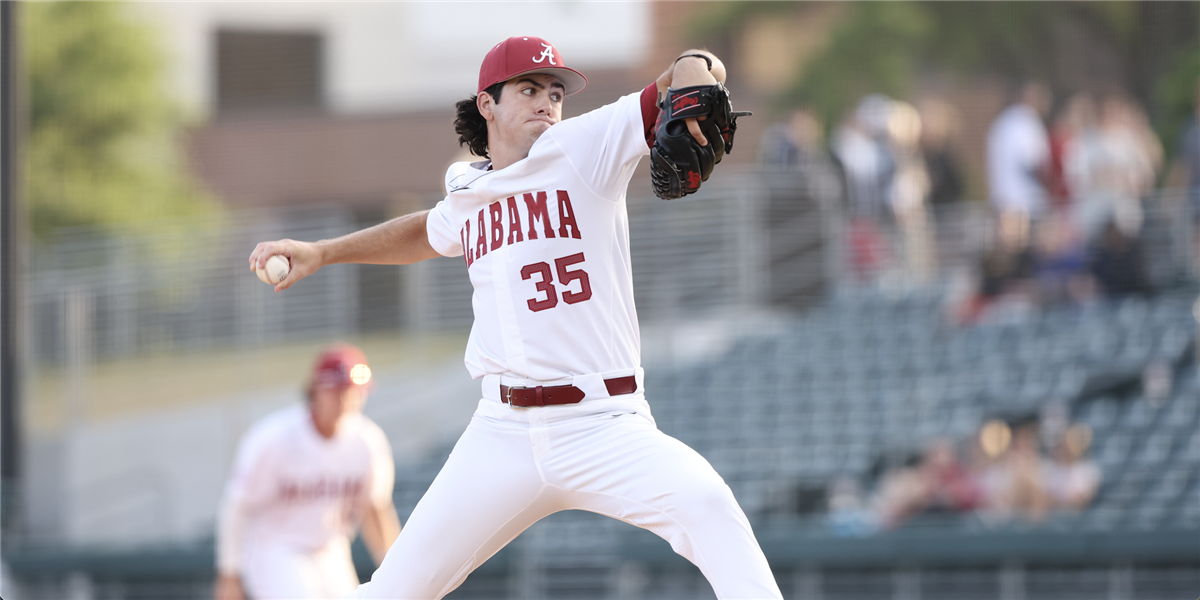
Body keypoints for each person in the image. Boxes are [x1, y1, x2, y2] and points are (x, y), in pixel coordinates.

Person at [249, 37, 782, 600]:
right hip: (500, 434)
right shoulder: (467, 189)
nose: (546, 103)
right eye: (528, 90)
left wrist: (698, 69)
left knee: (709, 507)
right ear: (487, 104)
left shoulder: (584, 145)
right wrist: (324, 252)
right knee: (393, 591)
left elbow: (690, 71)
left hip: (604, 422)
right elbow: (429, 231)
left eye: (555, 93)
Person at [214, 344, 400, 600]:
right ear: (316, 391)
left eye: (355, 391)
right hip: (276, 548)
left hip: (331, 549)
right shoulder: (273, 438)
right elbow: (238, 506)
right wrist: (230, 574)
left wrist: (397, 570)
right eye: (338, 390)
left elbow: (375, 509)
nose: (348, 399)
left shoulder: (368, 441)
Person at [987, 82, 1052, 218]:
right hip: (1025, 202)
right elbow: (1034, 163)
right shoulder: (1025, 120)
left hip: (1003, 200)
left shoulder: (1002, 121)